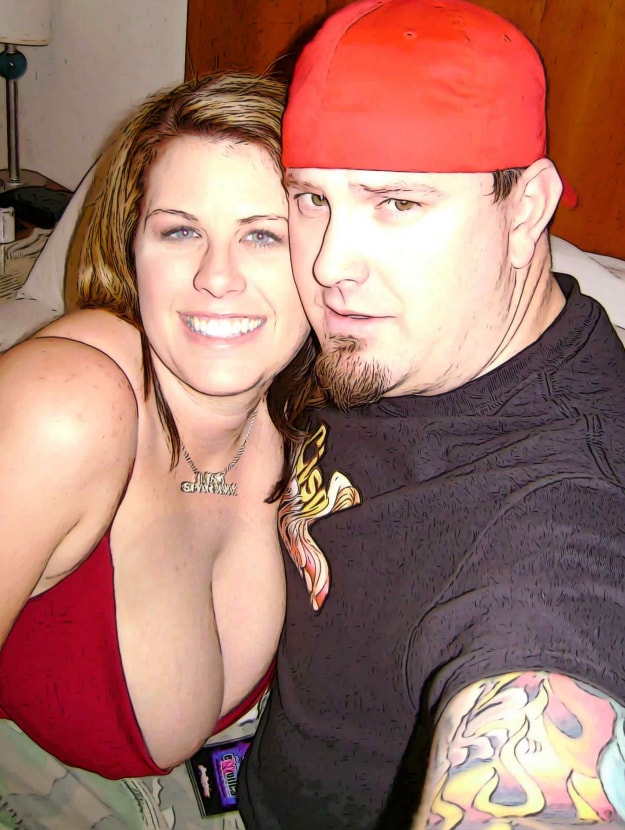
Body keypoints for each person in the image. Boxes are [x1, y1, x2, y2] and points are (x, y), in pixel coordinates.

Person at [238, 0, 625, 827]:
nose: (330, 266)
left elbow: (547, 704)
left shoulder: (564, 508)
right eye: (310, 198)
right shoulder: (394, 326)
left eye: (398, 204)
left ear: (526, 209)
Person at [0, 72, 312, 779]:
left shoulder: (306, 414)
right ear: (131, 249)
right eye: (180, 231)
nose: (217, 277)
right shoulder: (67, 409)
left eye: (265, 236)